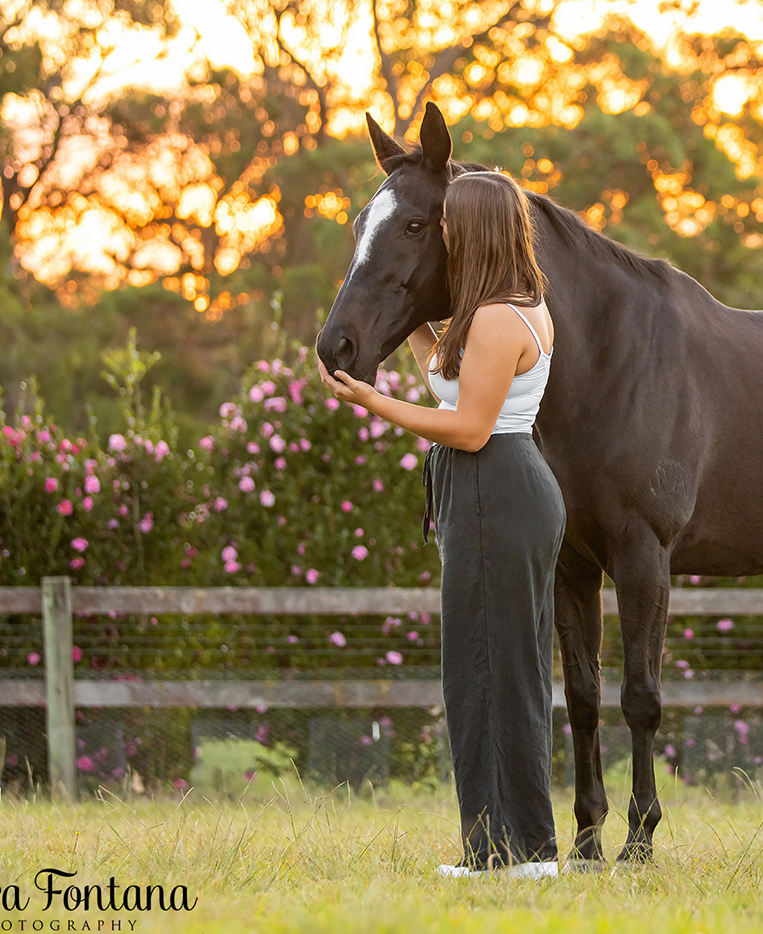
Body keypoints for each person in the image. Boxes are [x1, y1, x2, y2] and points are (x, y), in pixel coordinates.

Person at [318, 169, 566, 880]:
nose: (444, 232)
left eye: (452, 222)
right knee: (505, 670)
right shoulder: (518, 308)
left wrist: (371, 400)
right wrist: (416, 326)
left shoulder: (493, 320)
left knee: (483, 673)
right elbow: (449, 374)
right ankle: (527, 850)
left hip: (493, 486)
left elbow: (466, 427)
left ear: (478, 228)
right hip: (504, 488)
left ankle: (499, 855)